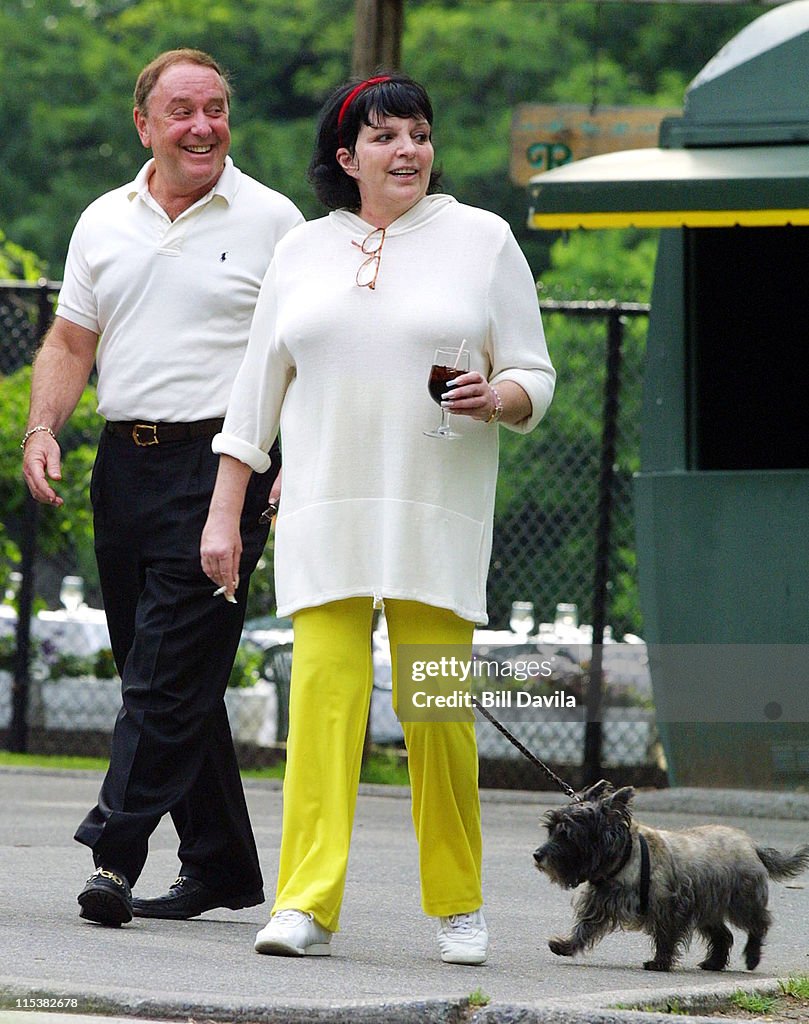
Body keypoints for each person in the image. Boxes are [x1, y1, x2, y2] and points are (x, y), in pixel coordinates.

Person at [201, 72, 555, 965]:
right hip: (323, 513)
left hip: (435, 513)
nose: (408, 151)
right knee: (321, 709)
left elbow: (534, 373)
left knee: (436, 714)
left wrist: (500, 396)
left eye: (421, 134)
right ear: (345, 154)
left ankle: (459, 907)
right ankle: (304, 904)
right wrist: (225, 515)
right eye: (387, 136)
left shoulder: (483, 239)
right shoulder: (300, 251)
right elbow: (254, 399)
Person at [21, 48, 303, 926]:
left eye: (215, 108)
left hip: (225, 467)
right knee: (172, 676)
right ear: (143, 125)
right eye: (182, 110)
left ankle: (114, 853)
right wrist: (43, 428)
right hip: (123, 468)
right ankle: (219, 864)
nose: (202, 126)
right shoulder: (103, 220)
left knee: (161, 679)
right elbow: (72, 342)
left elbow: (306, 354)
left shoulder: (275, 221)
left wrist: (294, 456)